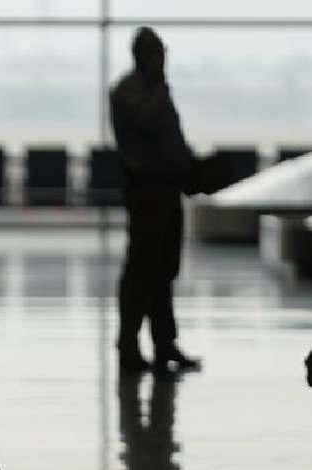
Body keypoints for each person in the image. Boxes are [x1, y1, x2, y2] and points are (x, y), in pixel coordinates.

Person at [110, 27, 201, 373]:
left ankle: (165, 343)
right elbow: (147, 123)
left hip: (167, 189)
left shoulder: (151, 90)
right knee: (142, 271)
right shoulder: (132, 91)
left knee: (163, 270)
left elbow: (169, 138)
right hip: (147, 191)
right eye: (155, 54)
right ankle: (129, 344)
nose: (161, 61)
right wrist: (160, 87)